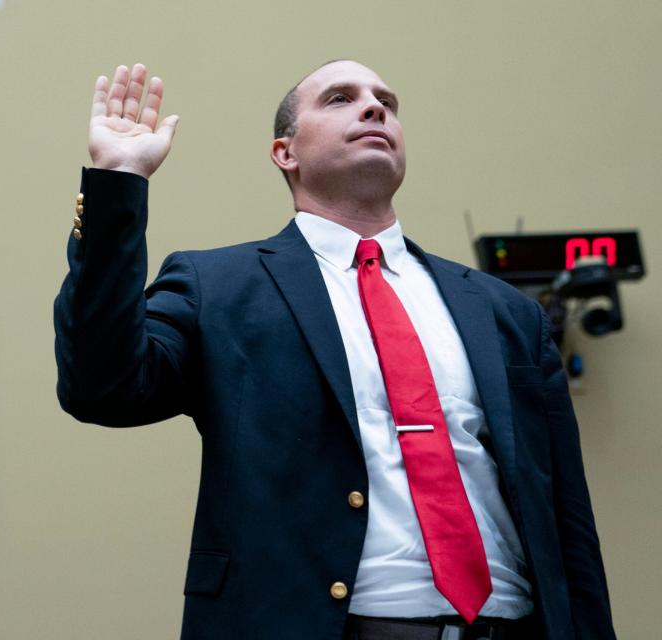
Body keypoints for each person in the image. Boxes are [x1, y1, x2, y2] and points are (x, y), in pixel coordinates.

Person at [54, 61, 614, 639]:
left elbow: (568, 517)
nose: (375, 108)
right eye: (341, 98)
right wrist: (118, 184)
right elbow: (102, 387)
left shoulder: (504, 311)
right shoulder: (218, 287)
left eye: (387, 103)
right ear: (285, 152)